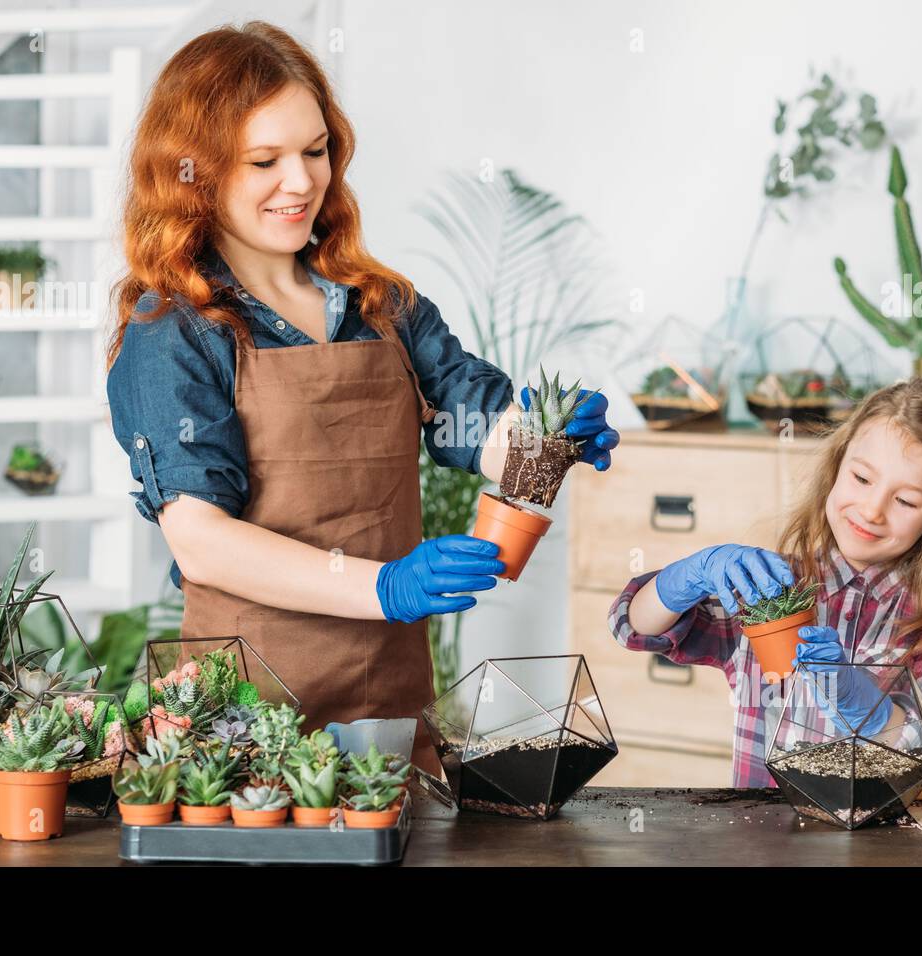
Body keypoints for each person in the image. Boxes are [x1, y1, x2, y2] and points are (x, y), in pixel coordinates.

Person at [105, 22, 619, 774]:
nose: (302, 181)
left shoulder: (381, 305)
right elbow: (201, 539)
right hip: (245, 722)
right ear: (196, 174)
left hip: (389, 704)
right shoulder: (175, 328)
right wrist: (385, 584)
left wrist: (549, 435)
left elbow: (475, 424)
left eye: (315, 151)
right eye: (264, 160)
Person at [608, 378, 922, 787]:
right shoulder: (770, 587)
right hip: (765, 843)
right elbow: (634, 628)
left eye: (905, 501)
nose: (872, 510)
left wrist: (866, 706)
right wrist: (688, 576)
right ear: (836, 469)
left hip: (884, 847)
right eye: (862, 479)